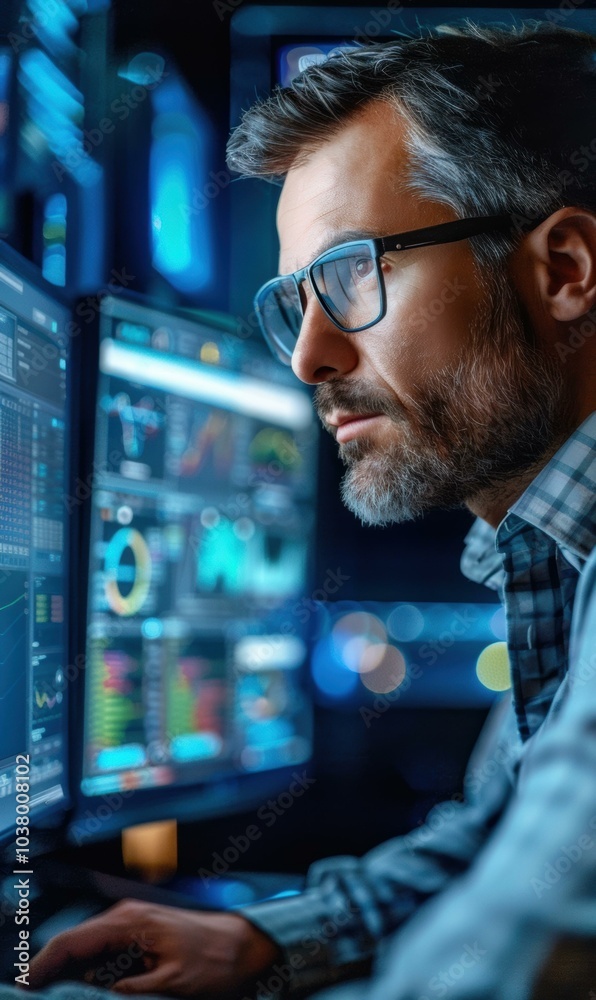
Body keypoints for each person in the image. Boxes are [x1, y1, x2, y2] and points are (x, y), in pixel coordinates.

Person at [7, 19, 596, 1000]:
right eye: (294, 303)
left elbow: (509, 967)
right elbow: (497, 839)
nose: (308, 360)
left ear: (565, 270)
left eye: (352, 278)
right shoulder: (550, 553)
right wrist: (263, 940)